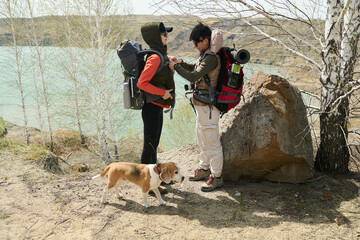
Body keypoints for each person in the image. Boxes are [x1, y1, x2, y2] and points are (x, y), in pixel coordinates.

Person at [169, 22, 224, 192]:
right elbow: (195, 68)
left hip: (208, 108)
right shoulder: (206, 55)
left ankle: (217, 176)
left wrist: (176, 67)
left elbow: (193, 77)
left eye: (197, 41)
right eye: (193, 43)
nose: (195, 45)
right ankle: (204, 168)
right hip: (202, 106)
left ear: (207, 39)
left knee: (212, 143)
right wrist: (181, 62)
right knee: (202, 139)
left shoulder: (211, 58)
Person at [137, 22, 175, 194]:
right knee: (150, 146)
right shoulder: (155, 57)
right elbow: (142, 83)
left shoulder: (160, 55)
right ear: (155, 37)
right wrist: (162, 92)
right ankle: (148, 184)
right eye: (163, 34)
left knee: (153, 144)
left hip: (155, 107)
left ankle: (154, 181)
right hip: (152, 108)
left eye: (166, 34)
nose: (166, 36)